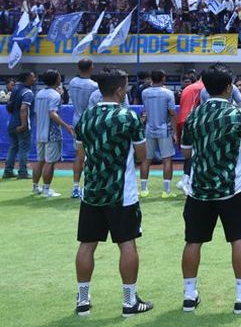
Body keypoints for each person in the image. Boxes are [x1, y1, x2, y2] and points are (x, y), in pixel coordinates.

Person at [180, 63, 241, 315]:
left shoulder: (194, 115)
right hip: (233, 189)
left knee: (193, 241)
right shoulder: (238, 115)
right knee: (238, 239)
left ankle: (189, 295)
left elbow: (186, 152)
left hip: (199, 189)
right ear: (229, 87)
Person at [73, 66, 153, 318]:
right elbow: (142, 156)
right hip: (122, 194)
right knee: (127, 244)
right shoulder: (128, 117)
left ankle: (83, 300)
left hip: (92, 192)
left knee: (87, 245)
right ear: (120, 90)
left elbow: (80, 154)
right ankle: (129, 301)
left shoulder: (85, 117)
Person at [34, 69, 74, 198]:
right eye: (58, 77)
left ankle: (35, 187)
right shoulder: (55, 95)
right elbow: (52, 113)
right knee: (49, 162)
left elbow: (36, 113)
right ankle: (46, 189)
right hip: (51, 133)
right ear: (57, 79)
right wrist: (66, 126)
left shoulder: (39, 93)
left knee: (40, 160)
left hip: (39, 131)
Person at [139, 69, 177, 198]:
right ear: (163, 78)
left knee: (146, 159)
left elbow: (145, 110)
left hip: (148, 129)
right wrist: (175, 132)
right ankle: (166, 191)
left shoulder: (144, 93)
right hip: (164, 130)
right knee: (167, 160)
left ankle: (144, 190)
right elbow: (172, 113)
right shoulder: (168, 93)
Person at [69, 59, 98, 197]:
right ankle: (88, 186)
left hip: (76, 120)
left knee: (78, 155)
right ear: (91, 67)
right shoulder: (94, 85)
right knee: (91, 155)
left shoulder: (73, 82)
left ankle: (76, 187)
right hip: (89, 121)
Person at [4, 71, 35, 180]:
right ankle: (23, 172)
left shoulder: (15, 89)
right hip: (21, 124)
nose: (34, 79)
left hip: (12, 122)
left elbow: (9, 107)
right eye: (32, 77)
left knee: (13, 147)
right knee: (24, 148)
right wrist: (23, 124)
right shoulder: (27, 92)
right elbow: (23, 108)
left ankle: (8, 171)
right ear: (27, 78)